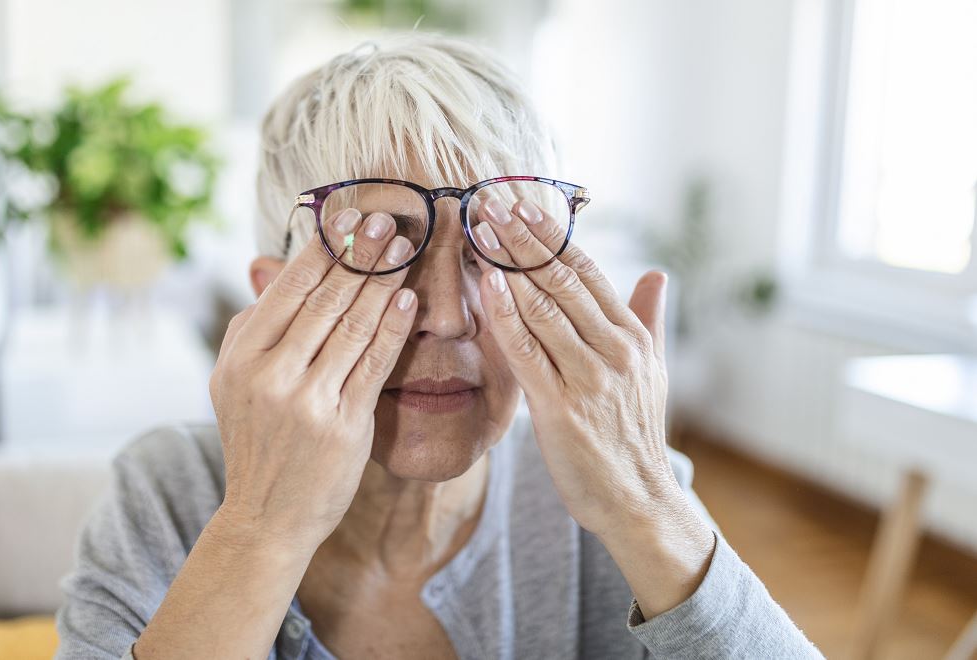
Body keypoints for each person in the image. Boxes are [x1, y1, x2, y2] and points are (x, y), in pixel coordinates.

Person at [54, 33, 823, 659]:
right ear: (270, 298)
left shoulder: (609, 504)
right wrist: (263, 525)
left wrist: (644, 499)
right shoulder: (165, 494)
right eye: (380, 245)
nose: (449, 315)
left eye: (495, 244)